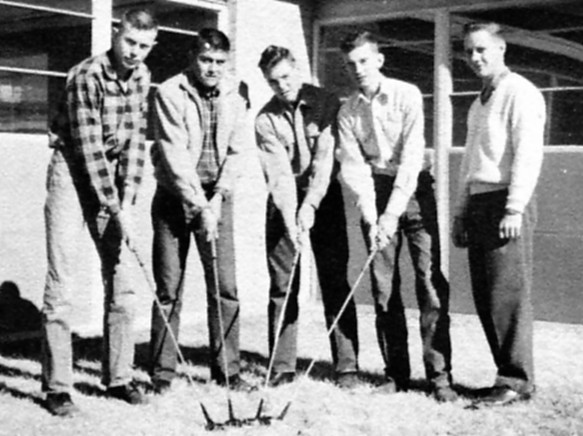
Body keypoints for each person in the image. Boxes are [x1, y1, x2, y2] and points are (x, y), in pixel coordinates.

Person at [42, 8, 158, 417]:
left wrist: (129, 198)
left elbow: (135, 142)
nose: (135, 52)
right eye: (130, 42)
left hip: (109, 177)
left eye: (144, 46)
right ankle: (58, 388)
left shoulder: (142, 76)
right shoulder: (86, 76)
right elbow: (90, 152)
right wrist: (115, 205)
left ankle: (119, 378)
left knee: (122, 279)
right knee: (62, 282)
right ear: (115, 34)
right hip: (72, 171)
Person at [337, 30, 457, 402]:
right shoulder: (348, 111)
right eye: (351, 64)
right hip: (375, 191)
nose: (358, 69)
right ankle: (396, 375)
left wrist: (391, 215)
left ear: (379, 60)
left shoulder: (407, 95)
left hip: (415, 189)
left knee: (429, 285)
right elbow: (355, 169)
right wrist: (373, 218)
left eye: (364, 61)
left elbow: (410, 158)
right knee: (384, 288)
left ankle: (440, 378)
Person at [148, 28, 252, 394]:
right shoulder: (168, 92)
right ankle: (162, 374)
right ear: (193, 58)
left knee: (225, 287)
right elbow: (174, 156)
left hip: (217, 198)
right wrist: (200, 205)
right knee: (169, 288)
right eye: (206, 60)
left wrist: (218, 196)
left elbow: (238, 150)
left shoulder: (237, 93)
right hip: (174, 198)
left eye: (220, 62)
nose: (212, 68)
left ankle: (228, 372)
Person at [452, 22, 545, 406]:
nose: (474, 57)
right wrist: (460, 211)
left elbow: (528, 153)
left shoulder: (520, 91)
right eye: (468, 51)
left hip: (506, 202)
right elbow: (470, 162)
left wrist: (514, 208)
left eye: (482, 49)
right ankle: (505, 377)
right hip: (479, 203)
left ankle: (516, 380)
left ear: (501, 49)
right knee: (487, 298)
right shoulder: (480, 101)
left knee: (507, 295)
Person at [256, 46, 359, 388]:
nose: (282, 86)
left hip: (324, 197)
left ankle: (346, 366)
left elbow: (325, 160)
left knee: (334, 280)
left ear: (297, 69)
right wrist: (291, 219)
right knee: (283, 285)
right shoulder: (265, 119)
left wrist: (311, 204)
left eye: (286, 77)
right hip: (284, 204)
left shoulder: (327, 102)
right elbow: (279, 177)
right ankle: (282, 366)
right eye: (273, 81)